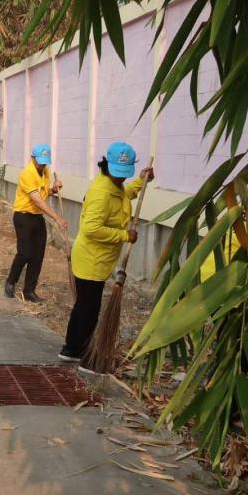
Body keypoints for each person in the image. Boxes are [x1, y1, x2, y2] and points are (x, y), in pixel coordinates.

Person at [59, 142, 152, 363]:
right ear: (106, 164)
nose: (121, 178)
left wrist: (140, 182)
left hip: (98, 259)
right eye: (118, 174)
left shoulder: (112, 184)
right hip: (91, 259)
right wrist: (123, 235)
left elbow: (124, 194)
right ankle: (81, 352)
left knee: (84, 305)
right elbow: (91, 229)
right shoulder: (101, 192)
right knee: (89, 308)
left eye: (124, 174)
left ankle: (72, 349)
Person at [5, 144, 67, 303]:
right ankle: (11, 282)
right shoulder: (27, 173)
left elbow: (44, 193)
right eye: (40, 161)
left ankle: (29, 291)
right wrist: (57, 217)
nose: (43, 164)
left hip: (37, 217)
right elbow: (38, 200)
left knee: (38, 256)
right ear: (32, 158)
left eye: (45, 162)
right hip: (23, 216)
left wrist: (54, 189)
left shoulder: (45, 171)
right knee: (25, 253)